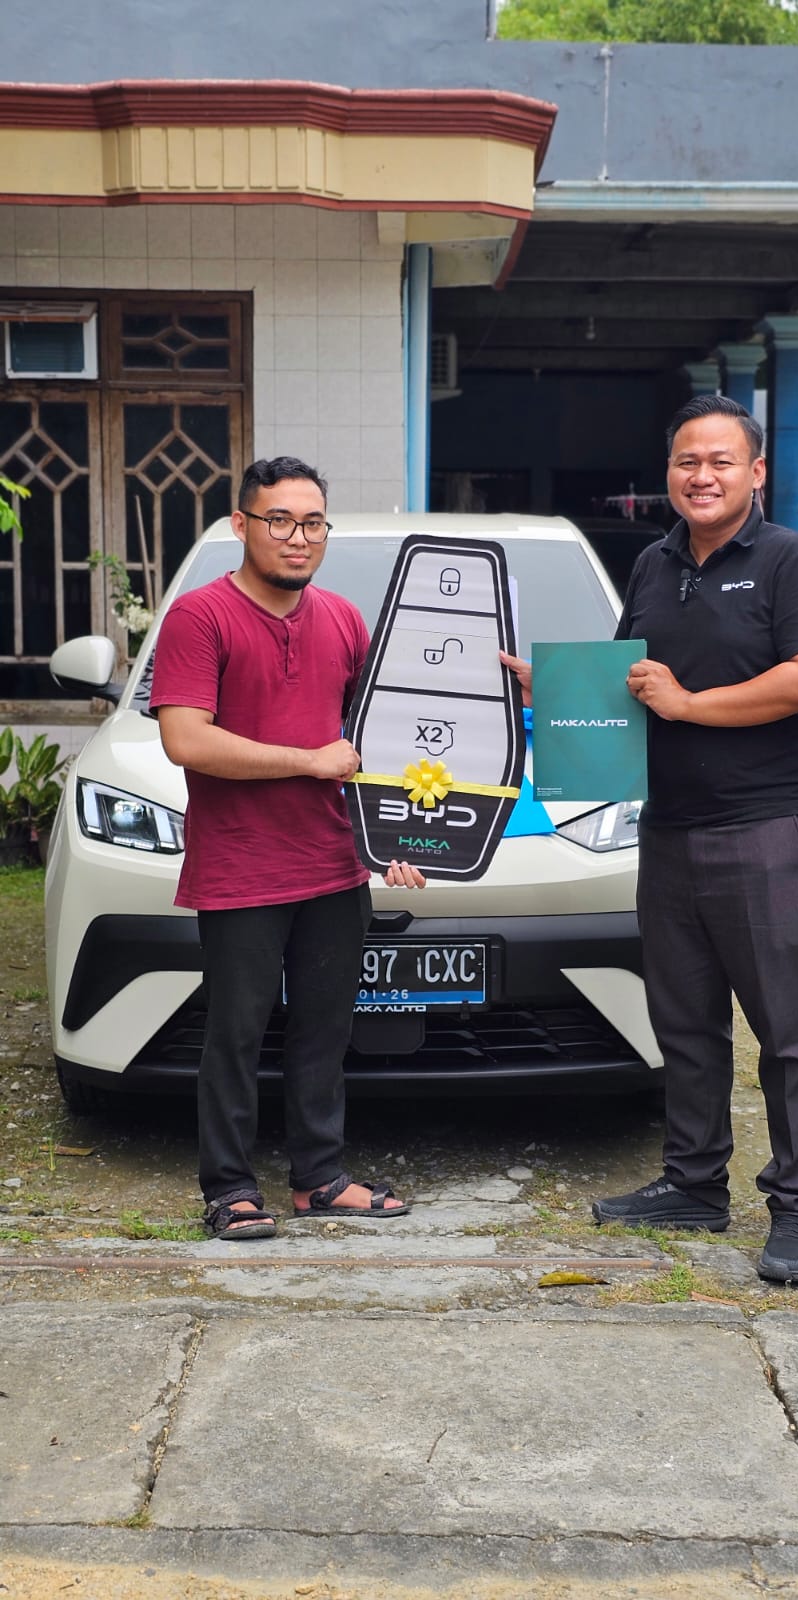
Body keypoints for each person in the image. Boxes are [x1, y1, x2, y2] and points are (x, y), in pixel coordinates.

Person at [502, 395, 798, 1285]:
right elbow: (627, 686)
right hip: (667, 830)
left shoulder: (788, 559)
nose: (702, 476)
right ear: (668, 474)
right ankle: (694, 1184)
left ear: (756, 472)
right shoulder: (654, 564)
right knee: (685, 1023)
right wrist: (558, 690)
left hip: (765, 829)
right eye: (687, 461)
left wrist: (691, 705)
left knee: (788, 1031)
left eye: (721, 461)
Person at [151, 456, 425, 1239]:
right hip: (240, 866)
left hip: (334, 864)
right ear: (242, 525)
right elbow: (185, 740)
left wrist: (397, 839)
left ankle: (320, 1179)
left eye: (311, 523)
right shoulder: (200, 617)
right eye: (279, 521)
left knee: (324, 1032)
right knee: (235, 1035)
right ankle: (230, 1189)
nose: (297, 538)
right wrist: (308, 760)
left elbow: (381, 739)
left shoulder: (343, 619)